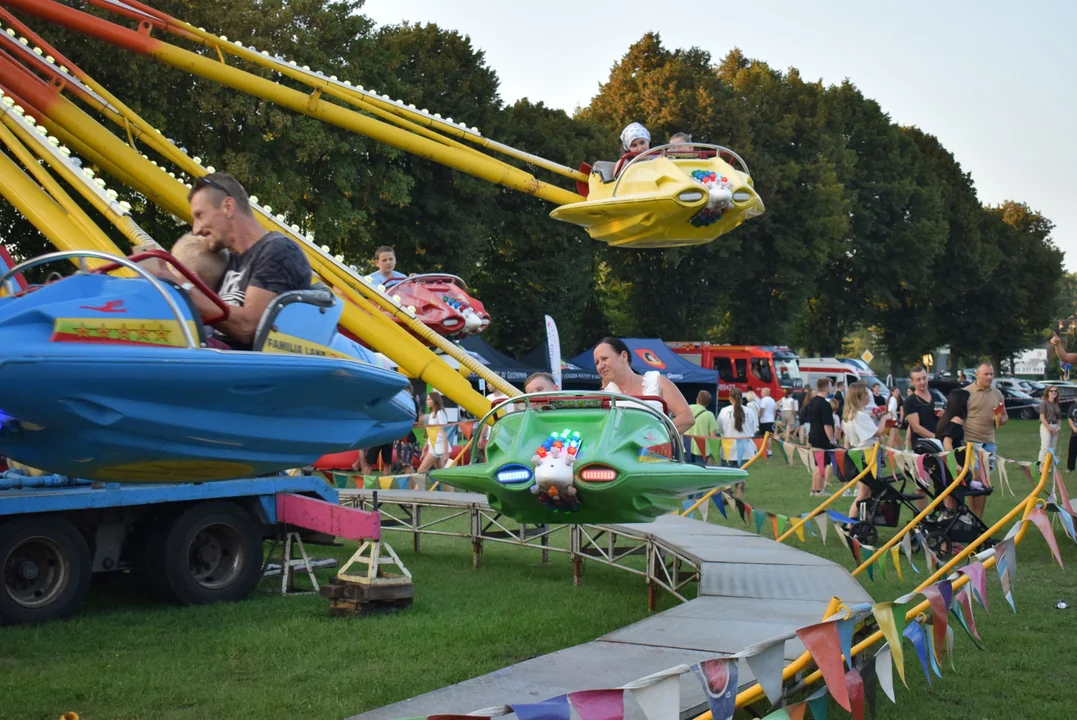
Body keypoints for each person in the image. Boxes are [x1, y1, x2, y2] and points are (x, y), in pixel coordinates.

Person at [185, 172, 313, 349]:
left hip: (249, 370)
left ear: (228, 207)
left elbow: (248, 328)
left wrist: (184, 290)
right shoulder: (229, 260)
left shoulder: (279, 251)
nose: (196, 229)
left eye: (199, 215)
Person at [593, 337, 694, 433]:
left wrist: (654, 436)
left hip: (655, 450)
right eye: (597, 362)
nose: (600, 366)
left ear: (624, 356)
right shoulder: (605, 396)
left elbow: (686, 417)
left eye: (604, 358)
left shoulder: (656, 382)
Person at [964, 362, 1006, 517]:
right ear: (977, 375)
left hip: (989, 442)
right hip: (970, 442)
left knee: (985, 483)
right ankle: (971, 515)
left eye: (991, 374)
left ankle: (977, 518)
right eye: (986, 374)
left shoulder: (997, 394)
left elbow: (1004, 414)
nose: (989, 377)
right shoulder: (966, 392)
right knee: (976, 479)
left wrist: (1002, 419)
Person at [843, 382, 887, 521]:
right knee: (863, 493)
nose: (869, 397)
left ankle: (861, 522)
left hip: (860, 453)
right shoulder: (859, 416)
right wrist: (884, 419)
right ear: (859, 397)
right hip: (867, 455)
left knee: (866, 493)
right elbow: (878, 432)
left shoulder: (852, 415)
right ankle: (851, 523)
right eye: (866, 394)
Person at [935, 389, 971, 513]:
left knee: (949, 496)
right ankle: (952, 522)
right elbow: (947, 442)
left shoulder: (946, 418)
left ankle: (948, 519)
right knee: (954, 498)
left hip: (944, 465)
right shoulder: (957, 420)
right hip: (954, 466)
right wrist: (953, 465)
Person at [805, 378, 837, 496]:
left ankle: (813, 490)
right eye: (830, 386)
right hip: (821, 437)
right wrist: (832, 440)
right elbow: (827, 425)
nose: (831, 388)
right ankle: (819, 490)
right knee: (821, 464)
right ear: (826, 388)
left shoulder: (812, 402)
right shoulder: (825, 404)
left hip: (813, 434)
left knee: (817, 464)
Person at [415, 391, 449, 485]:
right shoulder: (432, 414)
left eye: (429, 399)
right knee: (442, 475)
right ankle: (451, 494)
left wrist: (445, 453)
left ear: (435, 401)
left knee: (421, 470)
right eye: (427, 399)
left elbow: (444, 432)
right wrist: (424, 449)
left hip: (437, 446)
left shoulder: (439, 413)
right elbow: (431, 434)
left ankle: (417, 494)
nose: (427, 401)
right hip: (433, 445)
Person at [717, 388, 757, 467]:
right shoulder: (750, 411)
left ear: (730, 398)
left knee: (728, 478)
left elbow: (719, 430)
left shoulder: (724, 411)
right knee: (741, 478)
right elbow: (753, 430)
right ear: (741, 398)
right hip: (746, 452)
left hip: (728, 451)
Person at [903, 366, 938, 446]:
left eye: (924, 378)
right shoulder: (910, 402)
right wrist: (936, 438)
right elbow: (916, 428)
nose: (922, 382)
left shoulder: (936, 396)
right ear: (912, 382)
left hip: (940, 444)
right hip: (922, 446)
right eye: (918, 380)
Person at [685, 390, 719, 465]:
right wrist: (714, 453)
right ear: (708, 403)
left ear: (697, 399)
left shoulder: (688, 408)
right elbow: (713, 436)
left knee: (687, 473)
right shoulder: (710, 415)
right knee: (699, 474)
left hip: (686, 447)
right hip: (702, 450)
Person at [1039, 386, 1062, 467]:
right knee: (1045, 447)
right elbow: (1042, 417)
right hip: (1046, 426)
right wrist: (1049, 428)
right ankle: (1040, 466)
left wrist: (1058, 428)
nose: (1053, 392)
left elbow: (1059, 418)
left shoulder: (1056, 404)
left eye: (1055, 391)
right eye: (1051, 391)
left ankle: (1048, 466)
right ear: (1048, 392)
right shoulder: (1044, 403)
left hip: (1055, 426)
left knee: (1052, 448)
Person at [1067, 399, 1077, 473]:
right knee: (1072, 451)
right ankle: (1070, 468)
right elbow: (1070, 418)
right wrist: (1074, 428)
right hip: (1075, 433)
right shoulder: (1073, 406)